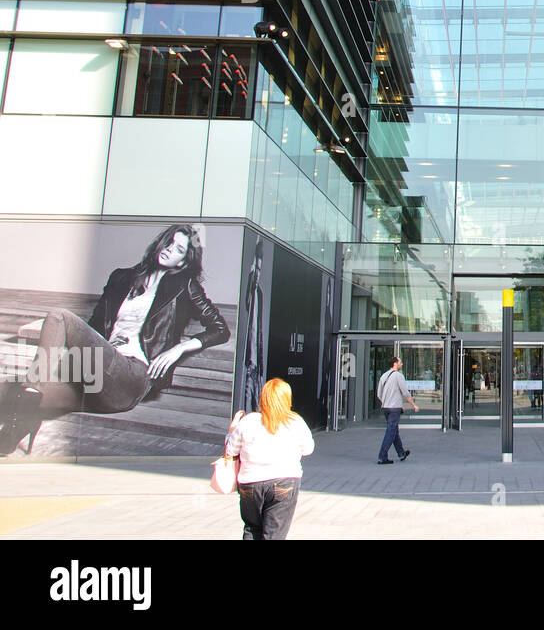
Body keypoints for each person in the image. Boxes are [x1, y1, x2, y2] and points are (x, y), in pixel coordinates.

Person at [3, 223, 230, 456]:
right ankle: (24, 422)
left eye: (179, 249)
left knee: (58, 317)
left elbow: (220, 329)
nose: (170, 249)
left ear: (183, 261)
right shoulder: (122, 277)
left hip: (132, 375)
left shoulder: (185, 286)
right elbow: (94, 328)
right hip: (97, 377)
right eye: (169, 242)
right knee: (10, 390)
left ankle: (24, 415)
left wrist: (180, 348)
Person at [223, 377, 315, 540]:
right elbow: (308, 449)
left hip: (251, 482)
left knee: (252, 529)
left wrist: (231, 430)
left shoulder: (248, 421)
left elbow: (230, 450)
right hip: (285, 481)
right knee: (274, 534)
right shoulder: (295, 422)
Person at [240, 238, 267, 415]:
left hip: (255, 353)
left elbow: (260, 328)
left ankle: (253, 416)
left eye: (259, 269)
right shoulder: (249, 289)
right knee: (247, 389)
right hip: (248, 354)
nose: (257, 273)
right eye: (255, 268)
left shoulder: (259, 292)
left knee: (255, 389)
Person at [376, 356, 418, 465]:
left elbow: (379, 394)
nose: (402, 364)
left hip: (386, 408)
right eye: (400, 362)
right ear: (395, 363)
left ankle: (401, 453)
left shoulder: (384, 376)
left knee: (394, 431)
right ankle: (382, 456)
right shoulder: (398, 376)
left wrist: (385, 402)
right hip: (394, 408)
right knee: (390, 431)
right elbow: (405, 392)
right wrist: (414, 405)